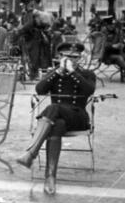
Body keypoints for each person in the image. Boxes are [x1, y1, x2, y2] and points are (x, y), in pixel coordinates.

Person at [16, 41, 96, 194]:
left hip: (78, 117)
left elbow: (89, 91)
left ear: (80, 58)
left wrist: (73, 72)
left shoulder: (87, 74)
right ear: (60, 57)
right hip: (56, 120)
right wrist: (58, 71)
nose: (71, 60)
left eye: (75, 57)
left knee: (54, 107)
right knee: (57, 126)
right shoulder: (54, 73)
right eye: (67, 56)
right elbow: (40, 90)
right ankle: (50, 177)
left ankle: (31, 153)